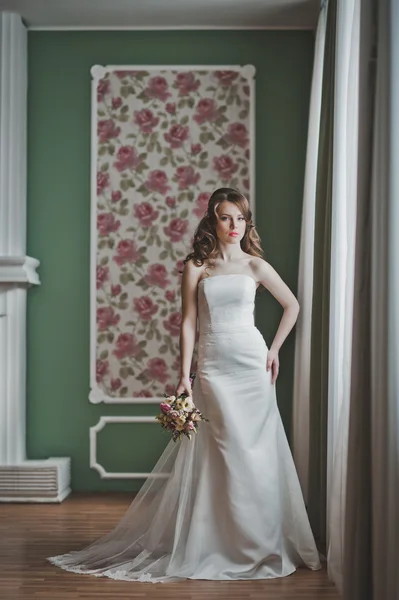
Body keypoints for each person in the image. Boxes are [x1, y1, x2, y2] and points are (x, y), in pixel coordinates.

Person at [47, 187, 321, 582]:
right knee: (223, 451)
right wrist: (183, 375)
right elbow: (188, 323)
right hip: (214, 366)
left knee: (257, 452)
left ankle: (262, 543)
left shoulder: (256, 266)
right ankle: (218, 543)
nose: (234, 226)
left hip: (251, 363)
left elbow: (292, 305)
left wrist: (274, 350)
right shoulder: (197, 266)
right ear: (213, 217)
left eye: (241, 219)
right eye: (227, 217)